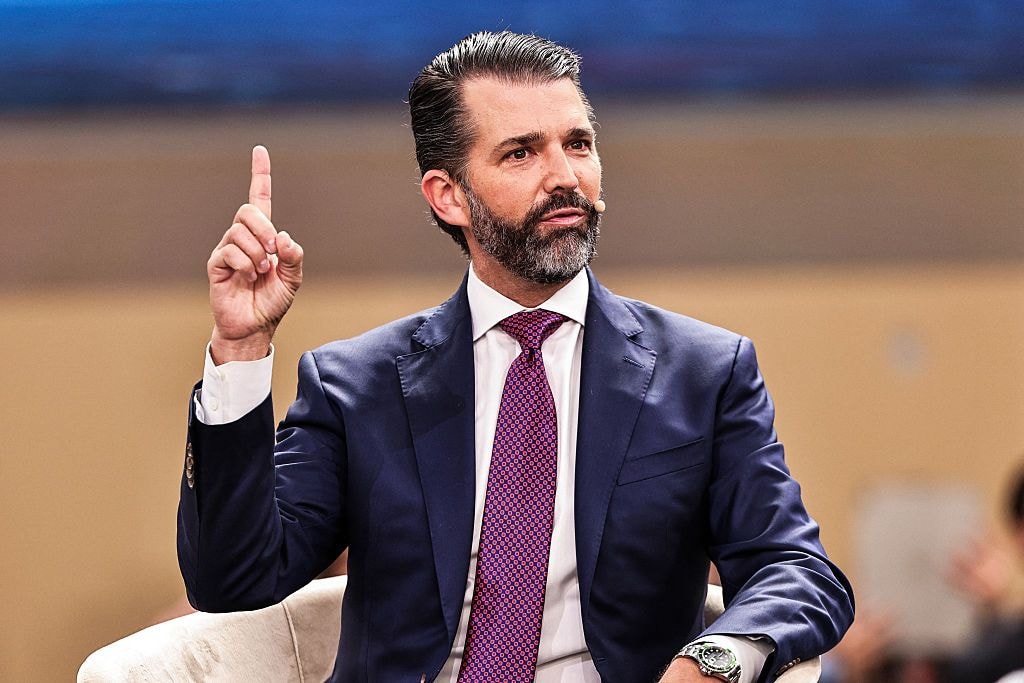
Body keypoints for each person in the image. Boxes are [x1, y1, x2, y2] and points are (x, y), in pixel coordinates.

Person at [177, 31, 854, 683]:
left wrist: (714, 660)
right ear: (449, 196)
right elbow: (234, 579)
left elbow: (795, 568)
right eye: (521, 154)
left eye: (578, 144)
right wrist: (240, 346)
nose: (565, 177)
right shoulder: (357, 387)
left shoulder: (705, 374)